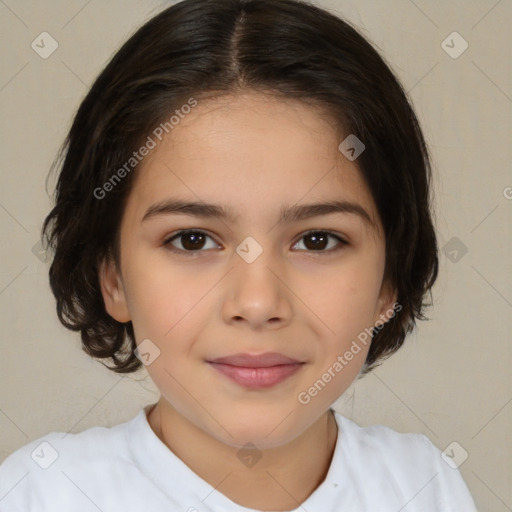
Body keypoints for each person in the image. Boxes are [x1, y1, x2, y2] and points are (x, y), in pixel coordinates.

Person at [0, 0, 477, 510]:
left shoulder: (424, 485)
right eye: (192, 240)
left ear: (390, 279)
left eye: (317, 240)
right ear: (112, 276)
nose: (256, 303)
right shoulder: (40, 493)